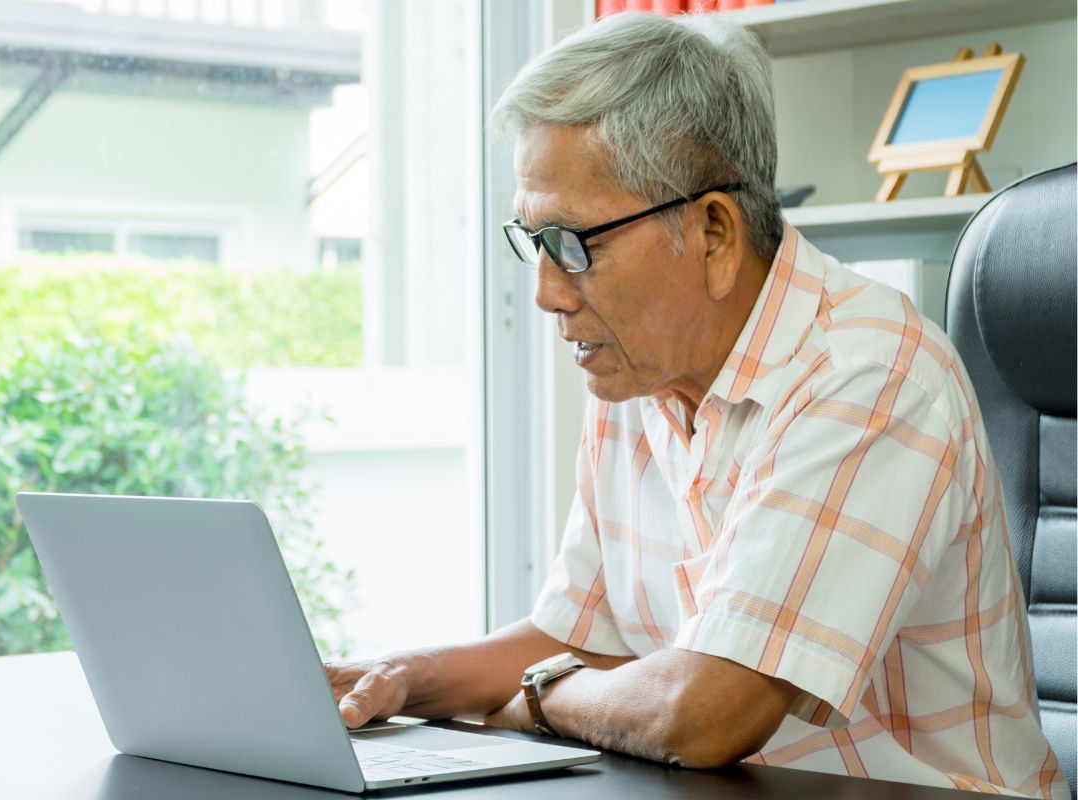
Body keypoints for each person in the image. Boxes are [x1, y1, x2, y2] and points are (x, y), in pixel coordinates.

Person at [326, 12, 1067, 797]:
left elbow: (705, 713)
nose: (546, 293)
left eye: (573, 245)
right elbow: (579, 638)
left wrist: (542, 701)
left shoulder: (869, 375)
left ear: (712, 231)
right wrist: (395, 677)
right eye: (534, 241)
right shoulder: (636, 369)